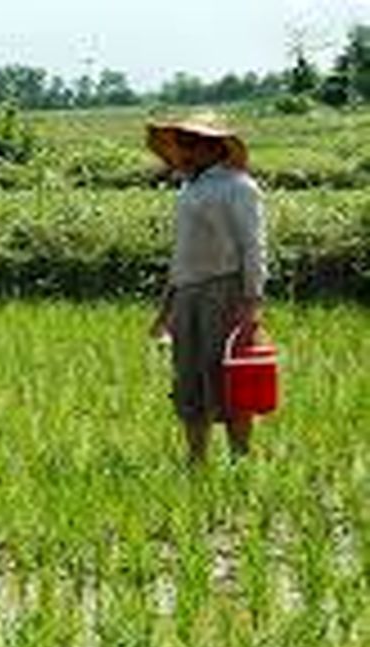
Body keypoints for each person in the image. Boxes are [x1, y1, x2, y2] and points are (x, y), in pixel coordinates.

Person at [146, 115, 268, 464]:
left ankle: (239, 457)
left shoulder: (239, 187)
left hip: (225, 291)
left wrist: (251, 303)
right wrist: (166, 309)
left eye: (193, 142)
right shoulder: (189, 188)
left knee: (229, 377)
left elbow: (253, 247)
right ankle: (196, 458)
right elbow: (181, 255)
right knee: (188, 378)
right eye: (182, 143)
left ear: (216, 147)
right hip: (187, 294)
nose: (186, 150)